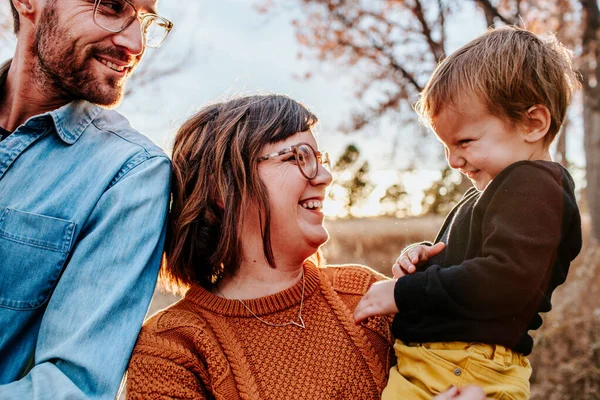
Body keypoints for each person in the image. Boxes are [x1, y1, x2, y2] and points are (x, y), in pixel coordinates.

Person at [354, 26, 582, 399]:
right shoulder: (500, 191)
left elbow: (504, 281)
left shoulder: (535, 184)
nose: (454, 160)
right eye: (446, 146)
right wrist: (424, 259)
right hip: (445, 362)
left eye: (465, 142)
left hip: (463, 366)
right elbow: (475, 265)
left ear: (532, 123)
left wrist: (405, 293)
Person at [125, 94, 398, 399]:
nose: (325, 177)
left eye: (319, 160)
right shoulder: (171, 348)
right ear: (223, 189)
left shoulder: (366, 294)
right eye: (297, 157)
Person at [0, 0, 173, 398]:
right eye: (111, 6)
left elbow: (70, 387)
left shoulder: (129, 174)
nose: (135, 43)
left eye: (145, 22)